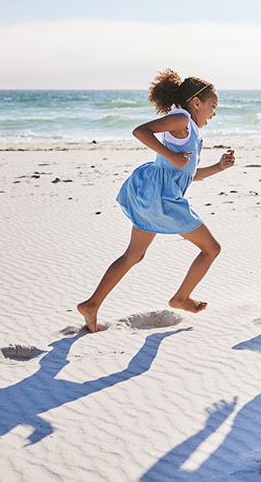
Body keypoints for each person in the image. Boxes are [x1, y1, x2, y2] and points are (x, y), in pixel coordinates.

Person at [76, 69, 236, 333]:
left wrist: (218, 167)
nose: (214, 113)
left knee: (133, 255)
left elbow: (187, 174)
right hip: (161, 198)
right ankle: (181, 298)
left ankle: (92, 304)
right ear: (196, 103)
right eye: (213, 106)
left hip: (153, 195)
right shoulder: (181, 119)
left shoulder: (192, 130)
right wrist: (170, 156)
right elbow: (141, 131)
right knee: (211, 249)